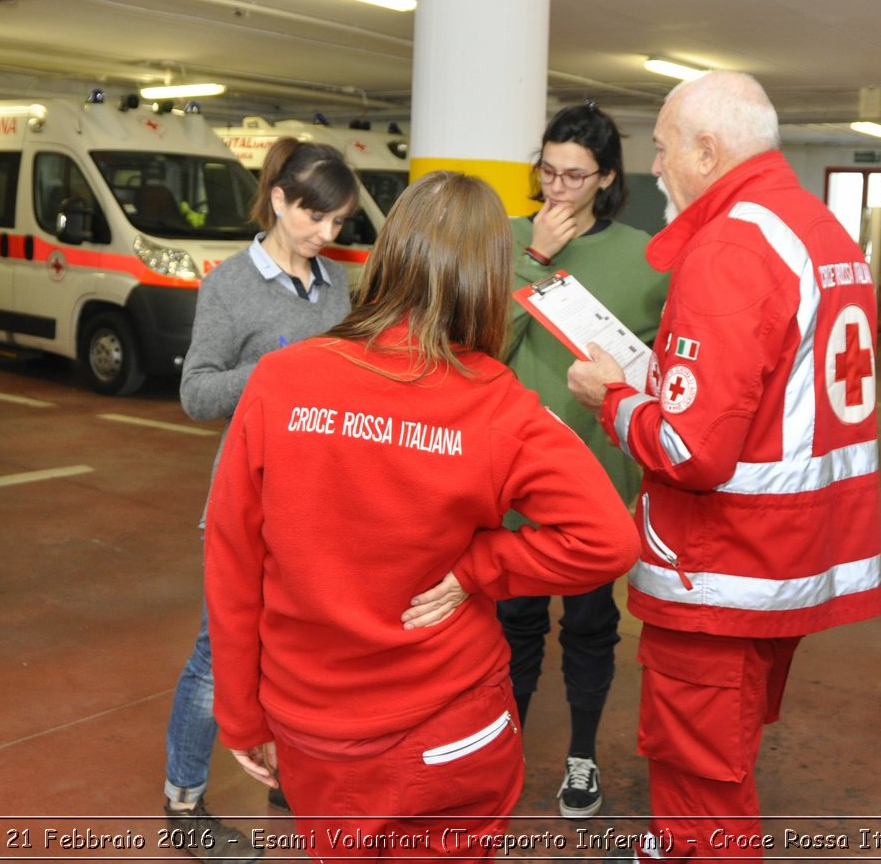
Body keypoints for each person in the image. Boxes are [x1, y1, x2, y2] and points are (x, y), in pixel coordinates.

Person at [204, 171, 639, 859]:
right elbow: (609, 539)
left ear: (389, 255)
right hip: (448, 724)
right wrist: (481, 567)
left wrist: (238, 709)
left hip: (311, 726)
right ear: (490, 278)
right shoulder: (496, 402)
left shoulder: (282, 380)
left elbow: (232, 557)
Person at [568, 71, 881, 859]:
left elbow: (689, 450)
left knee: (698, 772)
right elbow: (774, 390)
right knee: (723, 748)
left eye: (665, 148)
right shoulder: (815, 227)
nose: (658, 167)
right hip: (796, 551)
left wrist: (611, 398)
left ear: (708, 150)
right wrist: (660, 379)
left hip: (720, 564)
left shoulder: (733, 244)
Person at [162, 139, 359, 857]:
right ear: (279, 199)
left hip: (325, 501)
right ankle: (184, 801)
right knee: (220, 655)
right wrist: (275, 371)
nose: (327, 237)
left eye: (339, 223)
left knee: (302, 644)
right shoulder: (229, 285)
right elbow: (196, 393)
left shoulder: (339, 286)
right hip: (252, 498)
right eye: (317, 218)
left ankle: (286, 775)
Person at [499, 102, 668, 819]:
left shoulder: (646, 256)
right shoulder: (506, 240)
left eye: (575, 176)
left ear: (605, 178)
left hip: (598, 478)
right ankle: (501, 752)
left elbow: (662, 371)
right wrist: (532, 257)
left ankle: (582, 755)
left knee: (593, 625)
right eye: (547, 171)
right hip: (512, 477)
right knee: (514, 626)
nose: (557, 189)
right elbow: (478, 346)